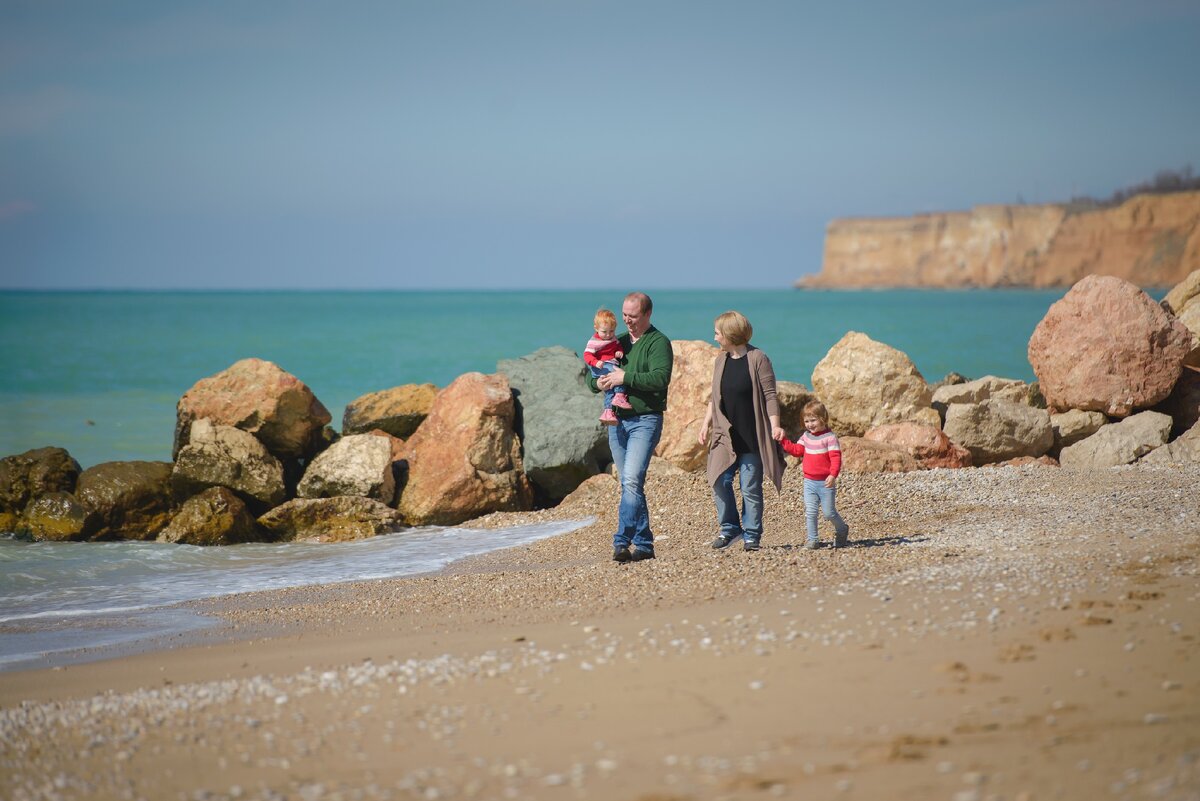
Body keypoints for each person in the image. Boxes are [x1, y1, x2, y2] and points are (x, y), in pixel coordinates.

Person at [586, 292, 673, 563]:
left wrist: (627, 377)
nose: (627, 321)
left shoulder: (659, 343)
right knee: (629, 483)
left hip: (645, 420)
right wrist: (597, 384)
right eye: (625, 315)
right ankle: (645, 544)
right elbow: (593, 375)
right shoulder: (617, 340)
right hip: (616, 420)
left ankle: (621, 541)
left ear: (647, 315)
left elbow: (661, 378)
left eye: (633, 317)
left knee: (632, 480)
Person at [698, 311, 785, 552]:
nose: (715, 337)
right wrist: (705, 424)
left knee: (750, 488)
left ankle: (752, 534)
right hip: (725, 435)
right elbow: (714, 397)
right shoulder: (721, 360)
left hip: (752, 436)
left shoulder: (758, 358)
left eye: (717, 333)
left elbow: (770, 395)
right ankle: (730, 528)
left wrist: (775, 425)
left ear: (730, 334)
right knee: (718, 480)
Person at [779, 400, 851, 549]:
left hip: (825, 482)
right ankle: (813, 540)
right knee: (811, 512)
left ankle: (842, 529)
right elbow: (797, 451)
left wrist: (833, 475)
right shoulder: (806, 436)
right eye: (806, 421)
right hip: (809, 482)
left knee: (829, 513)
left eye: (813, 420)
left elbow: (835, 458)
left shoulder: (830, 438)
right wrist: (784, 440)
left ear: (823, 418)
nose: (810, 424)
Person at [583, 308, 633, 426]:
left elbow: (617, 346)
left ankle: (608, 411)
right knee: (618, 375)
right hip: (601, 366)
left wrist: (618, 352)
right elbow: (587, 355)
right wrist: (595, 362)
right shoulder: (594, 341)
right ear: (596, 328)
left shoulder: (613, 338)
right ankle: (620, 395)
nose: (608, 335)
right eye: (604, 332)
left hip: (609, 363)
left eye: (612, 331)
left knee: (609, 388)